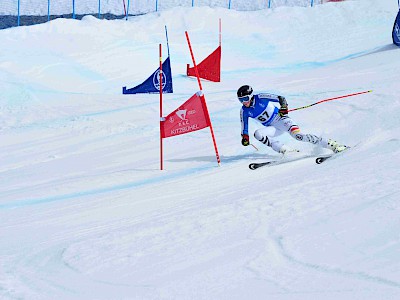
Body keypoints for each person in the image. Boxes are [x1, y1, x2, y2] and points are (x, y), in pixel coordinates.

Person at [237, 85, 348, 154]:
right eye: (240, 100)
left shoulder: (260, 97)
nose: (244, 102)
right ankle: (284, 150)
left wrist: (284, 107)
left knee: (299, 137)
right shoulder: (244, 111)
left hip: (283, 120)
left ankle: (332, 144)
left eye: (245, 98)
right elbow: (244, 127)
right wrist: (245, 137)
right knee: (258, 134)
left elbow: (281, 98)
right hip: (273, 128)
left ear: (251, 96)